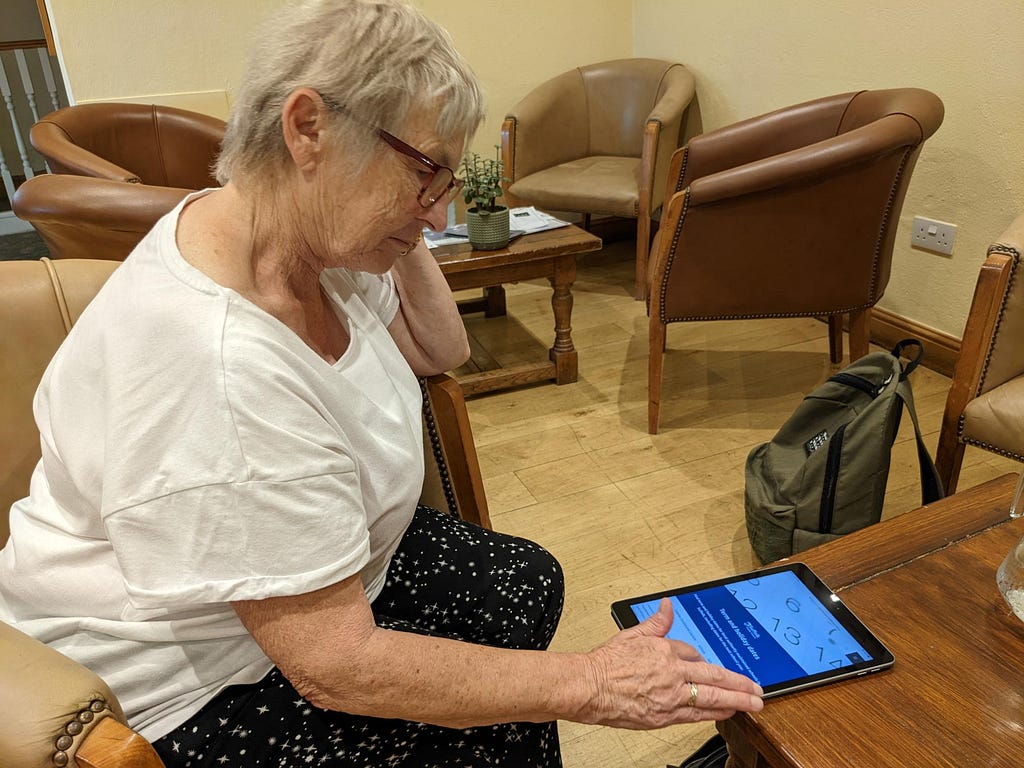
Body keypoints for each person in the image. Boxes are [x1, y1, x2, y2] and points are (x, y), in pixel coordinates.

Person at [0, 1, 763, 766]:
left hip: (320, 571)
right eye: (425, 171)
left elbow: (441, 348)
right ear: (308, 129)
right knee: (491, 715)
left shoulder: (293, 234)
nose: (439, 218)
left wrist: (396, 212)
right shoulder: (215, 364)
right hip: (197, 680)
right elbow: (335, 666)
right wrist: (593, 685)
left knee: (524, 580)